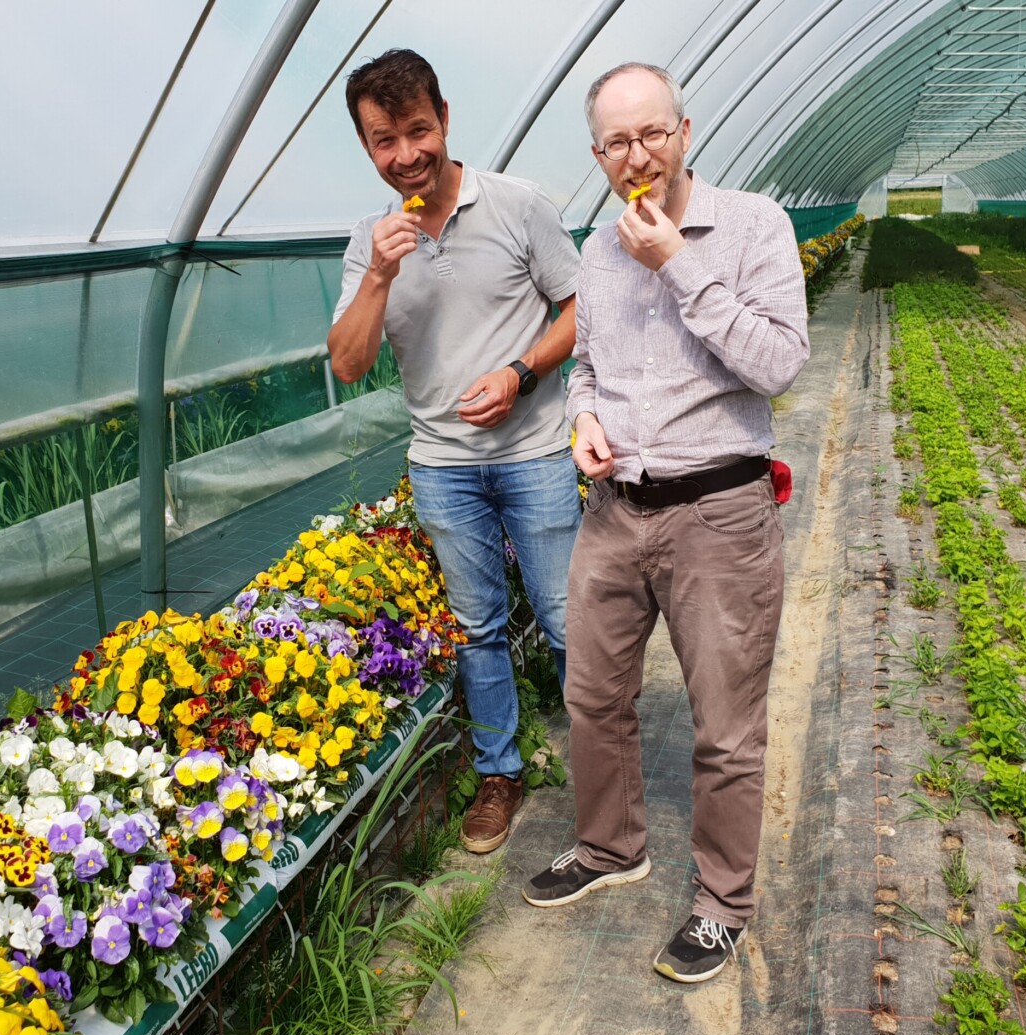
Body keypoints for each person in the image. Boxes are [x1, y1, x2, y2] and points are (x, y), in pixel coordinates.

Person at [521, 62, 809, 985]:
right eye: (616, 142)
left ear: (685, 131)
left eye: (652, 135)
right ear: (597, 154)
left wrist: (678, 265)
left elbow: (778, 363)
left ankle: (723, 903)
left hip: (719, 513)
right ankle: (611, 848)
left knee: (727, 729)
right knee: (592, 698)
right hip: (617, 509)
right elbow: (590, 368)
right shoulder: (598, 252)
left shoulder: (755, 225)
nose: (636, 157)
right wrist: (585, 421)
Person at [327, 49, 583, 854]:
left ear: (444, 120)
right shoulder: (367, 248)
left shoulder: (517, 206)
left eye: (417, 130)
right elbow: (347, 363)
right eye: (382, 140)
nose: (404, 154)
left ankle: (605, 766)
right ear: (366, 147)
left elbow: (583, 308)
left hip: (536, 450)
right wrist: (377, 274)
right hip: (442, 466)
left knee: (569, 618)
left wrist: (520, 372)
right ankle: (499, 772)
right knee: (478, 629)